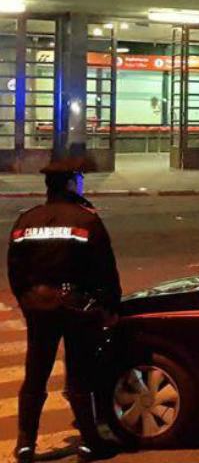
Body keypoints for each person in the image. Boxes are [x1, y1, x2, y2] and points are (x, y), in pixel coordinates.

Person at [8, 158, 121, 462]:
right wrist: (110, 305)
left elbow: (15, 270)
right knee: (80, 376)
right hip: (76, 307)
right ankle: (89, 442)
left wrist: (27, 301)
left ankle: (25, 444)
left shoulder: (27, 220)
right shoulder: (86, 220)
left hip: (38, 306)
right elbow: (104, 269)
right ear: (71, 184)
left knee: (35, 375)